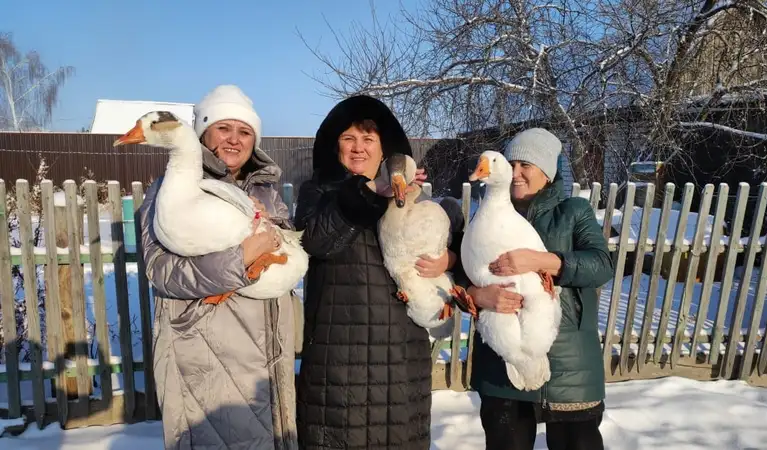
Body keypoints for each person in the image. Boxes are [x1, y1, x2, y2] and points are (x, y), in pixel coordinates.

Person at [294, 95, 460, 450]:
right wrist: (369, 192)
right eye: (348, 138)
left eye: (368, 139)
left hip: (401, 360)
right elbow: (317, 241)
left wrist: (450, 259)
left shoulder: (413, 198)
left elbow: (453, 249)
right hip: (338, 364)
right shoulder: (319, 192)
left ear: (384, 147)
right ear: (333, 145)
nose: (358, 148)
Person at [140, 84, 299, 449]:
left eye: (244, 132)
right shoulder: (171, 190)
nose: (234, 139)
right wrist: (239, 260)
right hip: (207, 352)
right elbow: (161, 271)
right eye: (223, 128)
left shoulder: (266, 193)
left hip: (268, 354)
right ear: (202, 134)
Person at [464, 128, 613, 450]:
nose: (516, 174)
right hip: (503, 362)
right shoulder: (484, 217)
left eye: (525, 166)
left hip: (569, 365)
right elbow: (461, 273)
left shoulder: (573, 211)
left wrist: (542, 260)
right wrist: (476, 295)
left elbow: (601, 265)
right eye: (511, 164)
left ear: (547, 171)